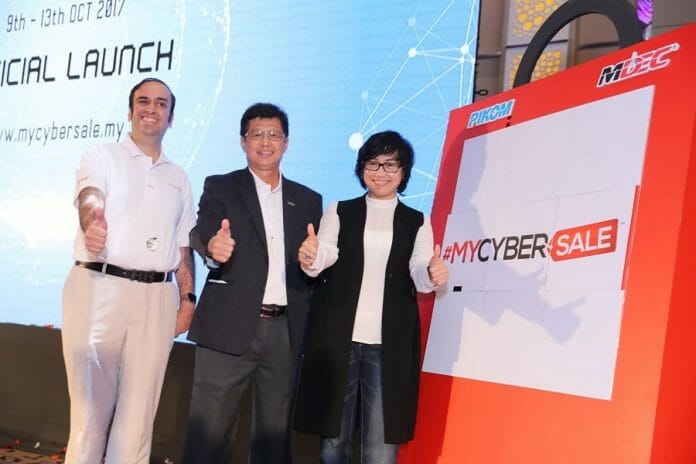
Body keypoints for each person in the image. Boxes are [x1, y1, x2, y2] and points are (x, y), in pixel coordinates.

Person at [61, 77, 196, 463]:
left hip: (157, 297)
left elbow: (182, 244)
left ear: (171, 117)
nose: (151, 109)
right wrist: (93, 223)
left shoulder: (178, 177)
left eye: (161, 103)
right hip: (99, 286)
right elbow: (90, 197)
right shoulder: (101, 155)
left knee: (138, 422)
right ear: (130, 110)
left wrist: (188, 298)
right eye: (143, 101)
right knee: (89, 417)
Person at [293, 130, 449, 464]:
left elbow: (419, 270)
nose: (381, 172)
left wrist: (433, 273)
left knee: (380, 449)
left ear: (403, 171)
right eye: (373, 163)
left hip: (388, 345)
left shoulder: (417, 221)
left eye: (391, 164)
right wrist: (311, 257)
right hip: (338, 340)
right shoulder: (339, 210)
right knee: (333, 444)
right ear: (362, 167)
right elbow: (326, 254)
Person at [182, 103, 322, 463]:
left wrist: (313, 262)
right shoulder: (222, 186)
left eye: (274, 134)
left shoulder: (308, 199)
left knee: (273, 441)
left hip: (284, 333)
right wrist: (212, 246)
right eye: (257, 134)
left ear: (286, 143)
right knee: (208, 435)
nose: (265, 142)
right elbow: (202, 229)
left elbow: (314, 261)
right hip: (228, 326)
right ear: (243, 141)